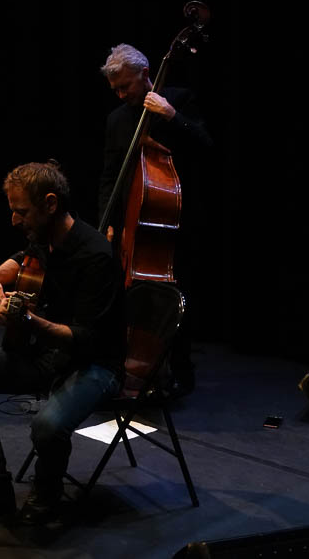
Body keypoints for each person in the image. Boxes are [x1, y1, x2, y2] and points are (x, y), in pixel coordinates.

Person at [0, 162, 126, 526]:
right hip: (49, 355)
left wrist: (27, 321)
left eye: (22, 211)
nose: (14, 220)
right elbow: (22, 260)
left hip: (95, 364)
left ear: (50, 204)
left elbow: (88, 339)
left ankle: (46, 496)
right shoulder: (44, 239)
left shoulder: (96, 256)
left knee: (47, 425)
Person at [99, 43, 212, 397]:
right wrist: (109, 222)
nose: (121, 95)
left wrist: (171, 115)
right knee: (125, 298)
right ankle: (133, 368)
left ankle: (179, 372)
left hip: (174, 220)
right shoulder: (117, 119)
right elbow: (110, 176)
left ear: (145, 74)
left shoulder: (179, 100)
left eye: (125, 86)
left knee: (174, 297)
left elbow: (206, 147)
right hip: (132, 224)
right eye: (115, 89)